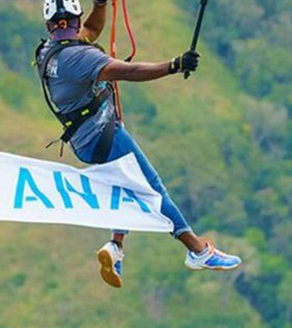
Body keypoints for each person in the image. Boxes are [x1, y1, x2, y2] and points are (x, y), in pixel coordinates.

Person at [37, 0, 241, 288]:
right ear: (75, 19)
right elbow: (130, 71)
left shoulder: (49, 52)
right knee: (152, 189)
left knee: (126, 185)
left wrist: (100, 5)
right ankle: (197, 251)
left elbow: (91, 30)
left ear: (51, 25)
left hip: (84, 141)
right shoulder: (79, 58)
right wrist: (174, 65)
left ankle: (115, 246)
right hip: (104, 136)